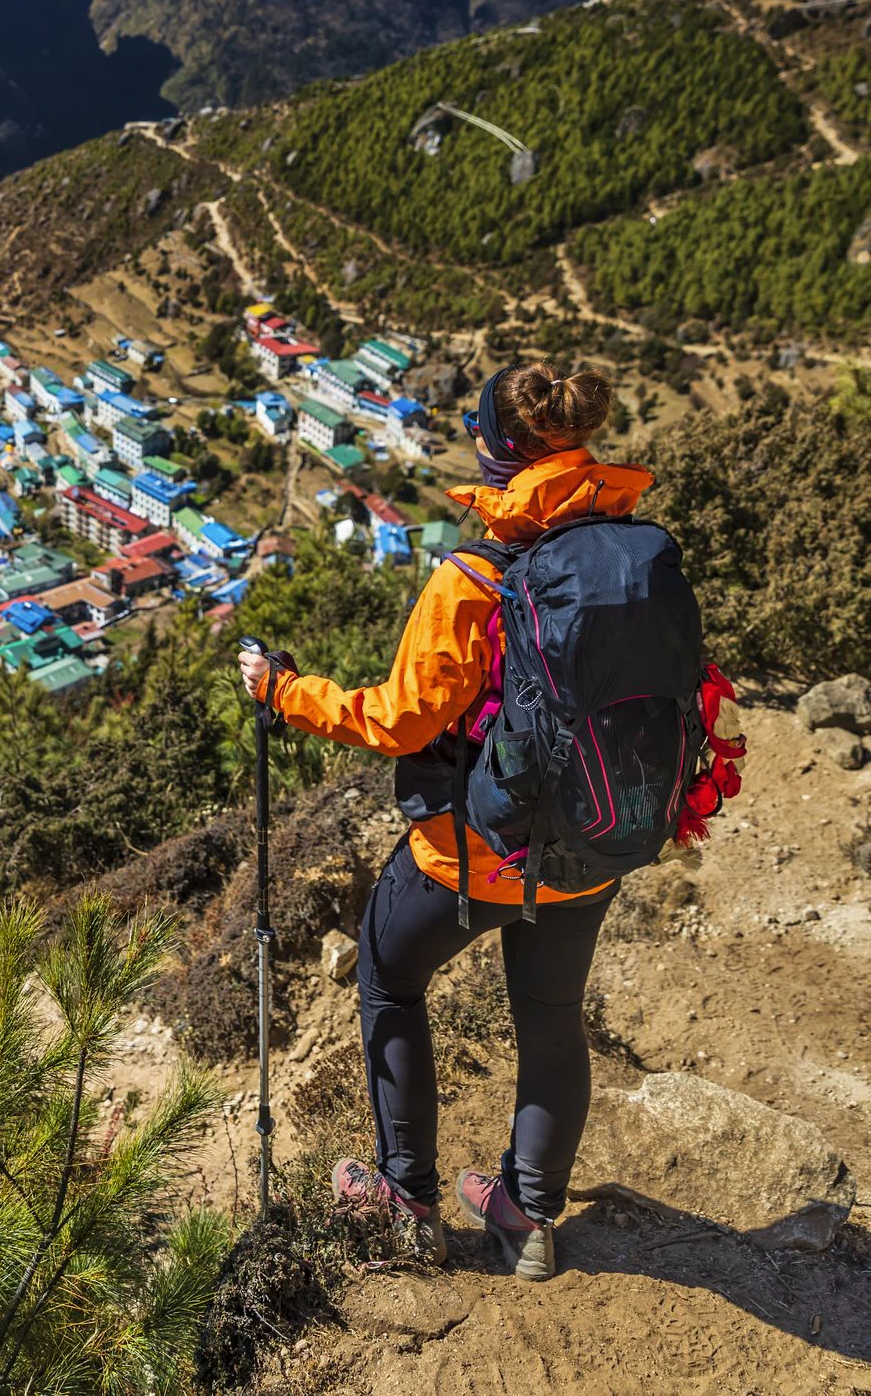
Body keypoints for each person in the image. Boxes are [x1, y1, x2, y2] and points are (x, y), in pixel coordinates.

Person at [239, 359, 646, 1282]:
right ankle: (529, 1217)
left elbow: (401, 721)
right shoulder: (632, 554)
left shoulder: (473, 579)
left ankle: (407, 1198)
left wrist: (286, 692)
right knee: (552, 1018)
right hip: (593, 839)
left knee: (389, 978)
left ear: (496, 451)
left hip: (475, 851)